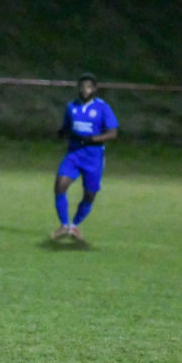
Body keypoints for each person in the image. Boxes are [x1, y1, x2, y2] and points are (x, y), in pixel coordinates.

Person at [51, 72, 118, 241]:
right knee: (60, 185)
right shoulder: (71, 106)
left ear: (94, 89)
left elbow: (112, 133)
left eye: (88, 86)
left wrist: (92, 139)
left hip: (93, 158)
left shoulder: (102, 107)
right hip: (74, 154)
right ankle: (64, 225)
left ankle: (74, 226)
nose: (84, 90)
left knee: (89, 195)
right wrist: (62, 133)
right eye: (82, 86)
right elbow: (66, 127)